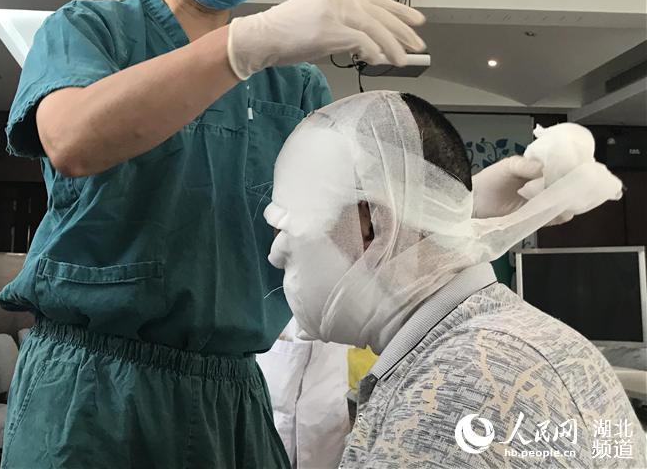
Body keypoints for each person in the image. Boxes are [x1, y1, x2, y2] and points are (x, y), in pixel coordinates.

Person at [0, 0, 559, 466]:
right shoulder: (91, 31)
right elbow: (72, 138)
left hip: (231, 392)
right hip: (94, 390)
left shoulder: (294, 87)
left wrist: (457, 210)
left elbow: (353, 233)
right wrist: (244, 45)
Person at [265, 90, 645, 468]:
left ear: (370, 225)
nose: (276, 252)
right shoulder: (483, 345)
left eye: (290, 224)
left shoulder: (464, 384)